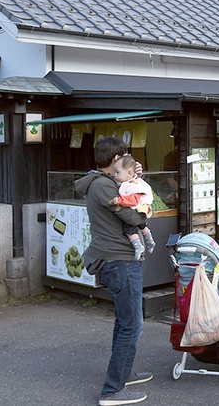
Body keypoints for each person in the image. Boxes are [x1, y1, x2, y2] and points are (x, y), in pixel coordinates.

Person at [74, 137, 153, 406]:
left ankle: (123, 374)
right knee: (132, 324)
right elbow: (132, 216)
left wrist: (134, 179)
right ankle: (112, 389)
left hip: (118, 258)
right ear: (113, 159)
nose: (126, 159)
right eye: (123, 156)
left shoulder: (106, 183)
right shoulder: (103, 186)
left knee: (125, 321)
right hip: (119, 260)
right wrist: (145, 211)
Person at [112, 155, 155, 260]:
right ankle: (150, 241)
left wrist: (119, 201)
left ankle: (138, 246)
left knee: (129, 229)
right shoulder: (133, 182)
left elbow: (133, 200)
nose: (115, 175)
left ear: (129, 173)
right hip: (141, 211)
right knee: (143, 226)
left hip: (136, 210)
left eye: (118, 172)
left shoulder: (131, 186)